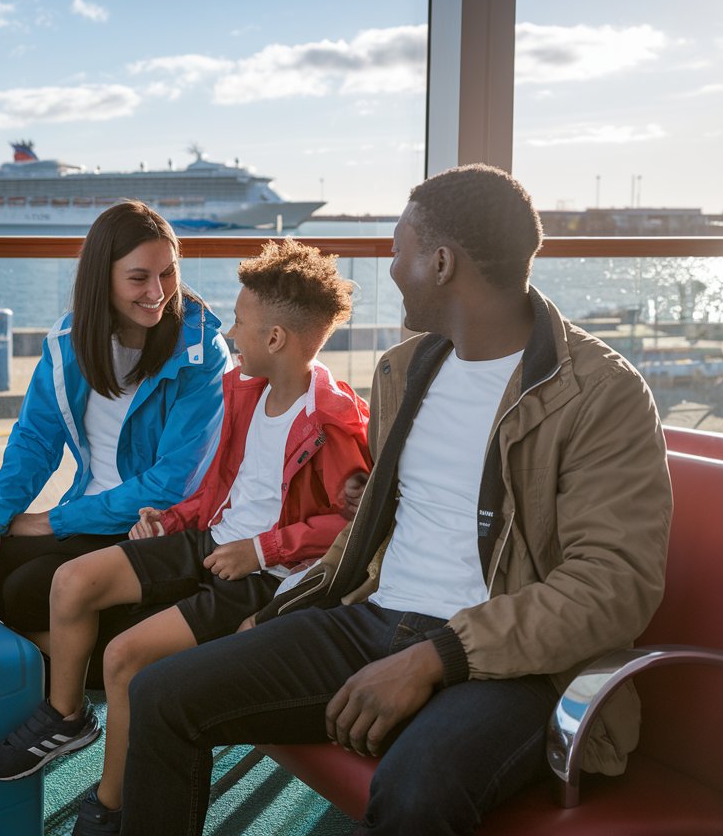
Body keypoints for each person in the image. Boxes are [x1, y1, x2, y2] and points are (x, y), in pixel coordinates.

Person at [118, 165, 673, 836]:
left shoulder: (601, 393)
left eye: (399, 248)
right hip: (373, 620)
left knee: (417, 791)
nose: (389, 267)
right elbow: (392, 522)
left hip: (515, 668)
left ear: (441, 263)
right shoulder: (403, 370)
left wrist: (437, 657)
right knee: (161, 693)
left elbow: (612, 587)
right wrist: (280, 610)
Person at [0, 239, 371, 836]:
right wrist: (175, 519)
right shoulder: (247, 392)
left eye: (239, 322)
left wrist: (263, 551)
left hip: (264, 577)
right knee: (72, 580)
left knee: (124, 657)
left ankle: (110, 805)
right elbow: (218, 486)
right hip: (213, 540)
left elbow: (350, 526)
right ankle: (65, 716)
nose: (229, 332)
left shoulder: (335, 422)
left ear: (274, 339)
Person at [0, 201, 231, 676]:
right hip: (90, 516)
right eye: (138, 277)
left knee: (26, 589)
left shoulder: (200, 353)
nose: (158, 292)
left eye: (168, 274)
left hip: (155, 528)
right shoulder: (67, 345)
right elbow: (34, 442)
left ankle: (78, 672)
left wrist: (50, 522)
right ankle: (95, 660)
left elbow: (172, 484)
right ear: (101, 276)